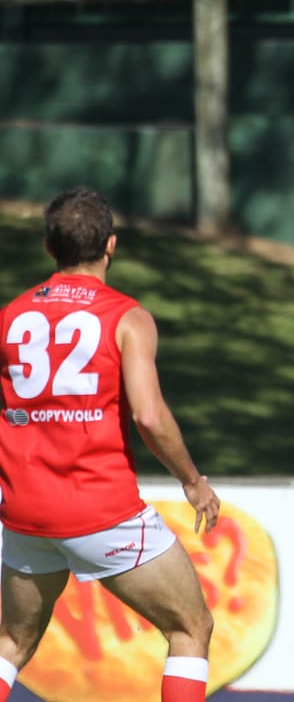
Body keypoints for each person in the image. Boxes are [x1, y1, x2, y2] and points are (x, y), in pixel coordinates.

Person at [0, 186, 221, 702]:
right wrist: (192, 483)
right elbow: (148, 414)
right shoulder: (127, 317)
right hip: (101, 509)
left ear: (49, 248)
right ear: (111, 246)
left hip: (25, 511)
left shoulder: (10, 316)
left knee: (10, 642)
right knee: (192, 628)